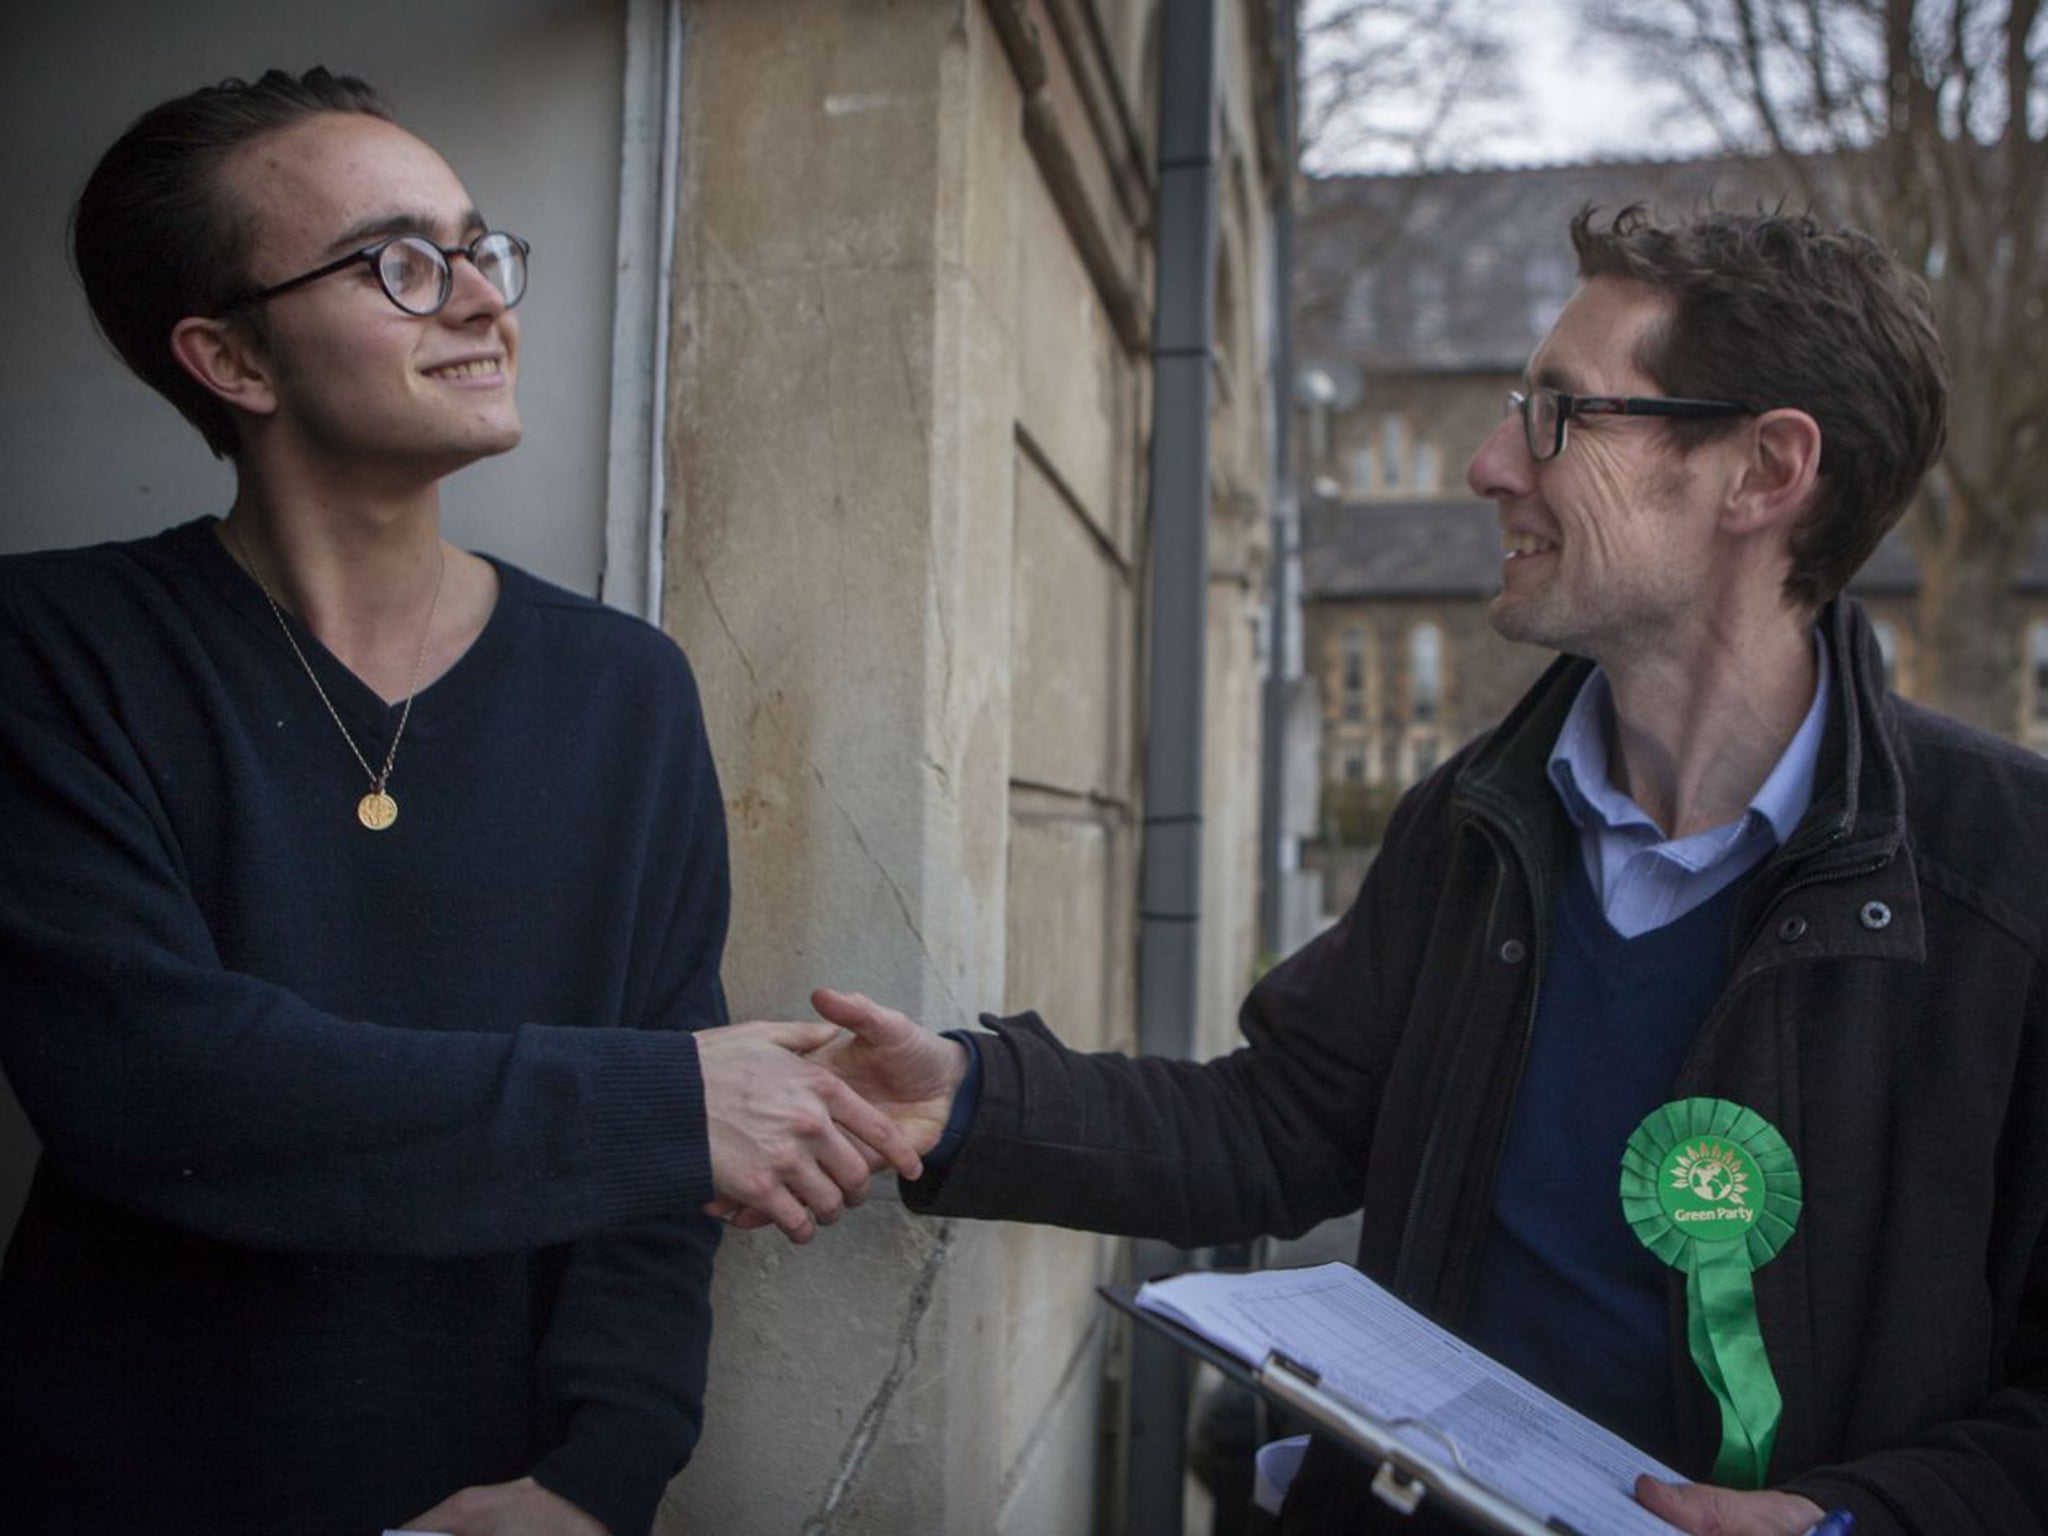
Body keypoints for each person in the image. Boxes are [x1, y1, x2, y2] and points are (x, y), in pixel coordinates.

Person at [750, 207, 2048, 1533]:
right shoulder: (1480, 819)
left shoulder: (2009, 883)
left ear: (1763, 474)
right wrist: (966, 1102)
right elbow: (1276, 1125)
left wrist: (1851, 1524)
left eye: (1559, 415)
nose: (1490, 464)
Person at [0, 69, 921, 1536]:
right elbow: (159, 1084)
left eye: (481, 249)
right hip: (116, 1477)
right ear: (233, 359)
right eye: (400, 263)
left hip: (492, 1497)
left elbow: (659, 1181)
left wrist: (600, 1474)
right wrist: (665, 1103)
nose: (483, 300)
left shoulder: (624, 686)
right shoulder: (52, 649)